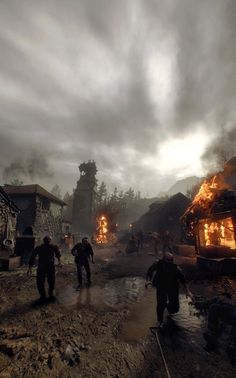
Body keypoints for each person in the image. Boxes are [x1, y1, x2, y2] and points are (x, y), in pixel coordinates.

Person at [145, 253, 194, 328]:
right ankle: (160, 321)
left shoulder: (175, 268)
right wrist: (148, 280)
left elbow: (183, 279)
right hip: (161, 285)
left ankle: (168, 307)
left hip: (172, 286)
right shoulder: (158, 263)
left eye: (171, 260)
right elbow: (150, 271)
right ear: (163, 259)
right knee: (160, 304)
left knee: (174, 309)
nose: (170, 262)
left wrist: (188, 291)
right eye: (168, 260)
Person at [27, 235, 62, 304]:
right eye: (47, 239)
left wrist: (60, 262)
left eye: (48, 239)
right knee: (41, 281)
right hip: (43, 266)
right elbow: (32, 257)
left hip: (48, 266)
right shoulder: (41, 247)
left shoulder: (52, 247)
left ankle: (49, 294)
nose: (48, 241)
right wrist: (29, 268)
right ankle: (44, 295)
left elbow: (58, 254)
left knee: (50, 281)